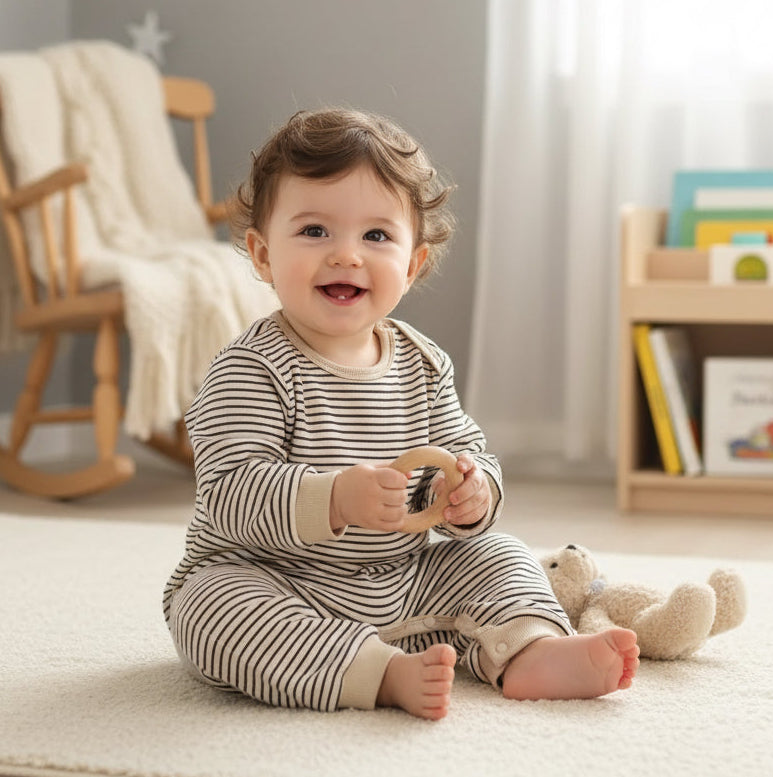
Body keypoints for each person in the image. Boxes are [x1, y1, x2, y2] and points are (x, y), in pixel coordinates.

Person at [163, 107, 639, 720]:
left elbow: (466, 450)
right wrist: (334, 498)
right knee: (211, 611)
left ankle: (531, 649)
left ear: (412, 265)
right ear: (261, 255)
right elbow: (228, 494)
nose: (346, 256)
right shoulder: (251, 369)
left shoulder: (422, 363)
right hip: (275, 578)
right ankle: (381, 673)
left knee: (499, 554)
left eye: (376, 236)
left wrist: (474, 494)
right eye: (313, 232)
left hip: (404, 574)